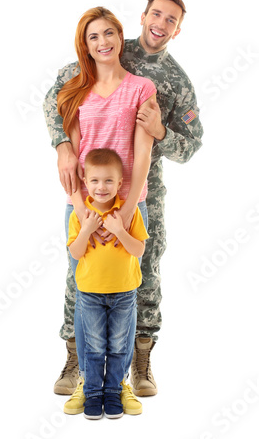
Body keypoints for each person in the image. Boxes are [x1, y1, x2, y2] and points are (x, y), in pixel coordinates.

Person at [43, 0, 204, 405]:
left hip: (141, 190)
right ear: (142, 16)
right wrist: (62, 144)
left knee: (143, 269)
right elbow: (56, 97)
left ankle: (140, 359)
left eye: (171, 19)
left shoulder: (173, 82)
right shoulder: (110, 48)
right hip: (89, 189)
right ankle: (76, 358)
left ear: (178, 28)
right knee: (82, 268)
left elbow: (191, 145)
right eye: (156, 14)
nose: (161, 23)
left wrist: (160, 132)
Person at [54, 5, 156, 415]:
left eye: (109, 33)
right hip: (83, 204)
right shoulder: (74, 91)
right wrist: (86, 213)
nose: (103, 42)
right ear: (86, 45)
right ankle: (85, 380)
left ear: (120, 35)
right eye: (94, 36)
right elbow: (73, 155)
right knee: (84, 288)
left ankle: (121, 384)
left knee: (127, 287)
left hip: (128, 203)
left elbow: (144, 149)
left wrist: (123, 215)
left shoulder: (141, 88)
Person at [67, 149, 149, 419]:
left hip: (124, 292)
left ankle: (113, 390)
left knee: (118, 346)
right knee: (93, 346)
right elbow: (76, 253)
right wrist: (88, 229)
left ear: (120, 182)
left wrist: (119, 231)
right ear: (85, 181)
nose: (101, 187)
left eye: (109, 181)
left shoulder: (129, 212)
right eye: (95, 181)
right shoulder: (80, 215)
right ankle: (92, 392)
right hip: (90, 293)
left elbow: (138, 251)